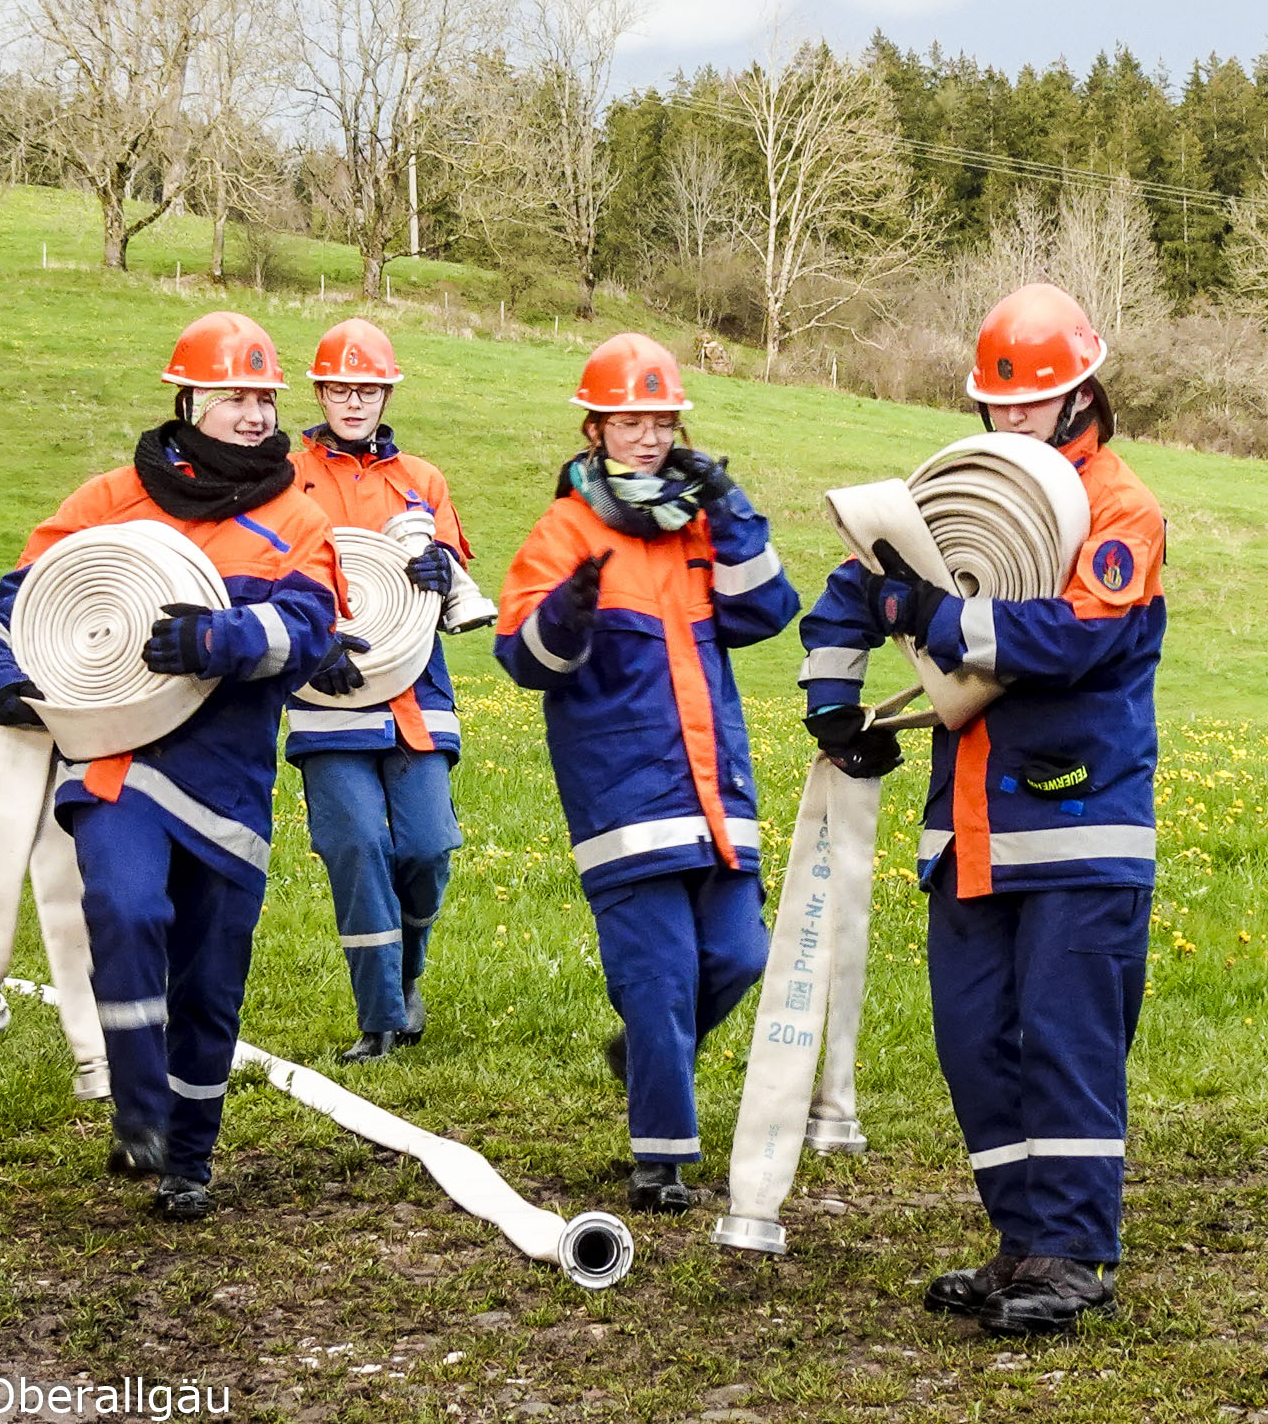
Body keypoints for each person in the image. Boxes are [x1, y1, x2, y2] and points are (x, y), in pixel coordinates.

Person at [798, 283, 1166, 1333]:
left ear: (1081, 391)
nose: (1011, 420)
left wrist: (939, 617)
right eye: (997, 406)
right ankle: (1022, 1242)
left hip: (1080, 831)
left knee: (1065, 1040)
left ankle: (1076, 1252)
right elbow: (848, 590)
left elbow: (1068, 639)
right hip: (965, 837)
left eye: (1032, 402)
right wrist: (835, 707)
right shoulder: (961, 498)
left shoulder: (1120, 509)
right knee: (975, 1042)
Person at [0, 311, 344, 1221]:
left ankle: (189, 1161)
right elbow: (17, 602)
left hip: (229, 785)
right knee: (125, 907)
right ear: (188, 399)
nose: (255, 414)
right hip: (113, 764)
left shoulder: (298, 515)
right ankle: (138, 1107)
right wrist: (1, 675)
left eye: (264, 397)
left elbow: (315, 629)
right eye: (234, 397)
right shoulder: (107, 499)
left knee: (210, 982)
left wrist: (224, 635)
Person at [495, 332, 799, 1213]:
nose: (649, 435)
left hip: (716, 795)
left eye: (662, 419)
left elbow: (768, 610)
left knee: (742, 956)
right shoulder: (565, 528)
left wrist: (734, 506)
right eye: (630, 419)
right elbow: (523, 655)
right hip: (624, 799)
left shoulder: (701, 521)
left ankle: (644, 1057)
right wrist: (569, 611)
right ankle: (660, 1157)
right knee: (660, 975)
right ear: (594, 428)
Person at [285, 318, 471, 1063]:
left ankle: (407, 972)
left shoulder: (421, 478)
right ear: (321, 391)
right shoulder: (285, 474)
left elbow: (457, 582)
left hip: (415, 691)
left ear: (386, 392)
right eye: (339, 386)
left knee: (426, 847)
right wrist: (305, 644)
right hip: (325, 688)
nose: (353, 399)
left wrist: (441, 573)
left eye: (367, 387)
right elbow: (264, 571)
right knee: (357, 843)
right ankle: (381, 1018)